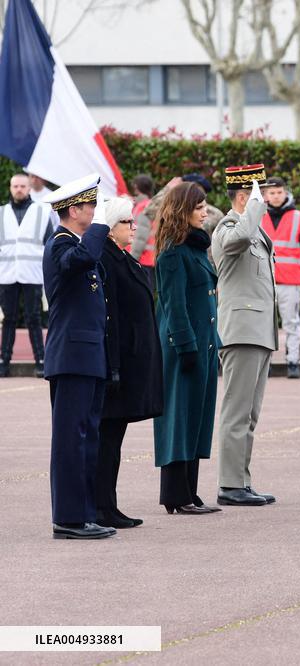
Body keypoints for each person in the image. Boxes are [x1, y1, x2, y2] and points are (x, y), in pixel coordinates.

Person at [41, 174, 115, 540]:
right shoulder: (60, 244)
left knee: (87, 437)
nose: (95, 211)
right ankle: (68, 518)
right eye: (91, 205)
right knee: (71, 438)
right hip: (71, 357)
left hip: (87, 356)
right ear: (74, 210)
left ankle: (84, 514)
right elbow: (83, 258)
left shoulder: (75, 244)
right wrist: (102, 224)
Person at [153, 182, 222, 515]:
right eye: (198, 207)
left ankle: (190, 492)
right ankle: (175, 495)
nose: (205, 211)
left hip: (205, 346)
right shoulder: (172, 253)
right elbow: (174, 306)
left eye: (205, 205)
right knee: (179, 418)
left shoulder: (195, 249)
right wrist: (187, 347)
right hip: (185, 348)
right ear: (183, 210)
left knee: (197, 418)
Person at [212, 164, 278, 507]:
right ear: (244, 197)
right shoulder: (229, 227)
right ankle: (229, 484)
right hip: (241, 331)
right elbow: (237, 240)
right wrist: (252, 208)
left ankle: (241, 480)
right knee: (236, 412)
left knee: (249, 414)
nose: (266, 203)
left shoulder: (255, 231)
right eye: (260, 196)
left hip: (259, 331)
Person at [95, 197, 163, 529]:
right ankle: (101, 506)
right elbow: (111, 317)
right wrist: (115, 365)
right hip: (116, 362)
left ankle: (110, 505)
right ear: (110, 229)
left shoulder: (121, 257)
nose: (134, 228)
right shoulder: (106, 260)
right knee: (106, 439)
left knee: (114, 439)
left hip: (129, 360)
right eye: (127, 223)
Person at [262, 176, 300, 379]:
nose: (276, 196)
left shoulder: (299, 217)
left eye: (279, 192)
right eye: (272, 193)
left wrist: (299, 268)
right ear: (266, 195)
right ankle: (265, 363)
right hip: (263, 280)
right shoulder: (257, 216)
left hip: (290, 280)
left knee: (291, 323)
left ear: (286, 193)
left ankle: (293, 361)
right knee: (264, 324)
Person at [131, 173, 223, 289]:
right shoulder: (182, 213)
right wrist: (169, 189)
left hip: (206, 273)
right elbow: (149, 211)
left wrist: (168, 190)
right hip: (187, 271)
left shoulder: (212, 214)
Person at [1, 173, 52, 378]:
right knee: (9, 319)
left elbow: (49, 242)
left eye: (23, 186)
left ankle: (41, 361)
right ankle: (4, 361)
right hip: (6, 274)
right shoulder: (2, 213)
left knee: (34, 318)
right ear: (10, 188)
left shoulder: (42, 211)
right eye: (15, 186)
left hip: (32, 273)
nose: (19, 189)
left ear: (29, 188)